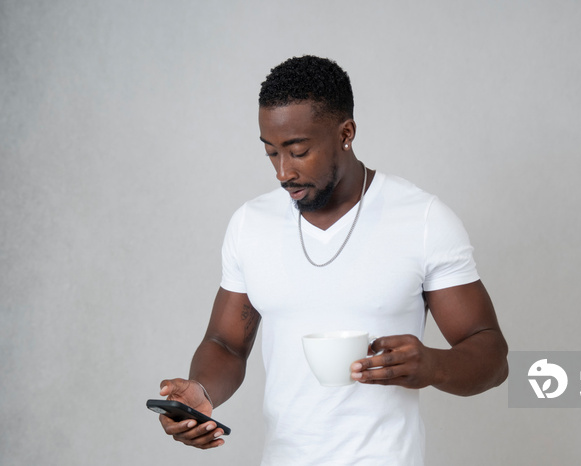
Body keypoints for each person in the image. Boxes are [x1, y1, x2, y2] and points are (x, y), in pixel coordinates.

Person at [157, 55, 508, 465]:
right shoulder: (251, 224)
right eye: (271, 153)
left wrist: (433, 365)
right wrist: (202, 391)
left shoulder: (422, 220)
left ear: (346, 133)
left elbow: (492, 357)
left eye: (298, 151)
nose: (282, 172)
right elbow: (226, 343)